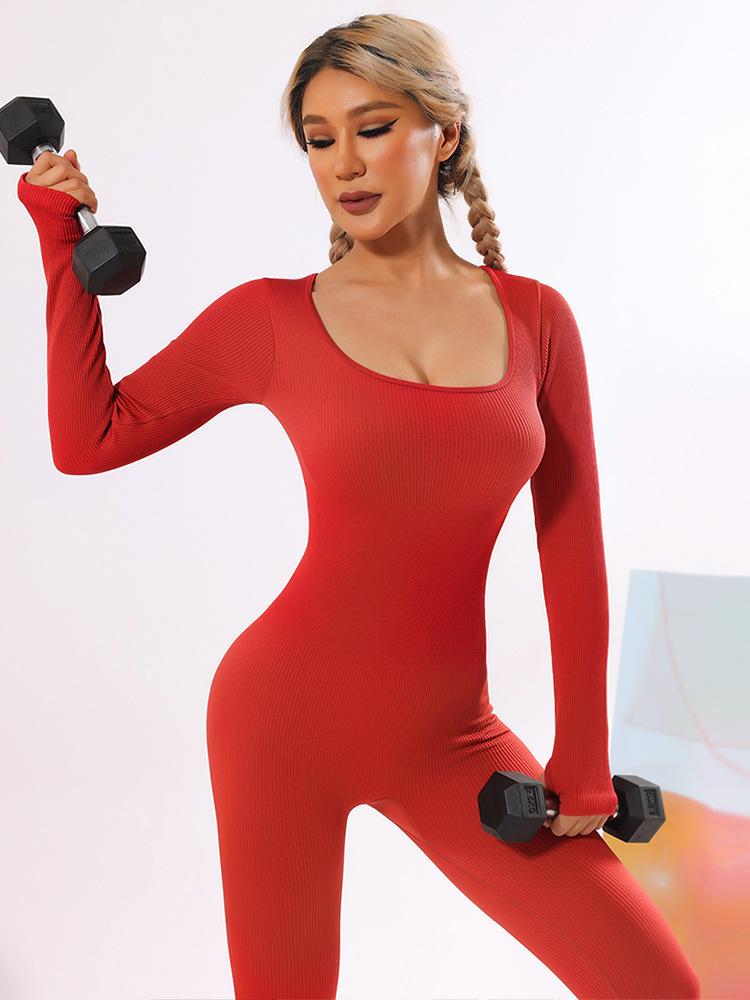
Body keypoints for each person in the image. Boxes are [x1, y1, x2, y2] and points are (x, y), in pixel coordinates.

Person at [16, 12, 701, 1000]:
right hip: (280, 724)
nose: (344, 162)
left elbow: (570, 537)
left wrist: (584, 754)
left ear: (444, 132)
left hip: (454, 742)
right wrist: (58, 242)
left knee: (658, 986)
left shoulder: (538, 320)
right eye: (318, 139)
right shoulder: (271, 318)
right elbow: (90, 439)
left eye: (373, 127)